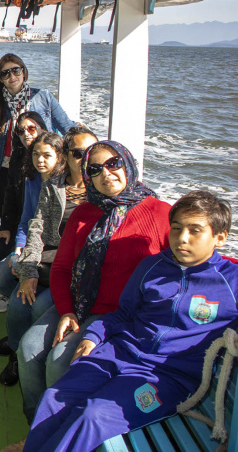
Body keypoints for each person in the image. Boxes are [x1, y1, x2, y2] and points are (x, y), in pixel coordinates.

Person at [24, 191, 236, 452]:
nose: (182, 238)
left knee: (94, 416)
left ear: (220, 237)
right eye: (177, 228)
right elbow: (123, 314)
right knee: (53, 399)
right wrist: (93, 336)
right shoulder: (152, 266)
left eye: (195, 231)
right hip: (116, 352)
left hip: (166, 376)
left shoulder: (231, 282)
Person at [16, 141, 172, 424]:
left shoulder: (160, 213)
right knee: (28, 349)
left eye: (113, 163)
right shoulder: (83, 213)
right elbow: (62, 268)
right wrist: (66, 310)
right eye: (95, 169)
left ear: (128, 163)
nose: (106, 174)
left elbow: (193, 258)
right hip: (79, 304)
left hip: (122, 315)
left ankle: (59, 431)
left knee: (59, 361)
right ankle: (36, 426)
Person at [0, 127, 97, 387]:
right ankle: (16, 351)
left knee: (37, 305)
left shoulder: (100, 192)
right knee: (18, 301)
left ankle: (31, 352)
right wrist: (28, 269)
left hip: (73, 269)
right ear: (67, 156)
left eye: (91, 152)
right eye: (78, 153)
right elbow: (36, 226)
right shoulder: (53, 185)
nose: (85, 158)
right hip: (47, 258)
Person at [0, 53, 77, 234]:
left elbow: (67, 128)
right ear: (0, 78)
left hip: (40, 166)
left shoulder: (43, 97)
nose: (12, 76)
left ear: (24, 72)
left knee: (41, 215)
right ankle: (14, 248)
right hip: (5, 170)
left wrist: (78, 160)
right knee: (10, 217)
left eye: (16, 70)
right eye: (5, 73)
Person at [0, 112, 49, 273]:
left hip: (46, 231)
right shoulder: (18, 158)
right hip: (24, 224)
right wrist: (6, 227)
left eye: (31, 128)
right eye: (21, 131)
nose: (26, 134)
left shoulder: (54, 163)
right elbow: (11, 197)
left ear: (42, 129)